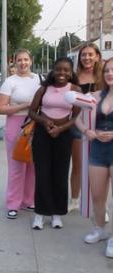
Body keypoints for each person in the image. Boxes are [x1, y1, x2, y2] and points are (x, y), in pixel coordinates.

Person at [29, 57, 81, 230]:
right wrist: (44, 122)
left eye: (66, 70)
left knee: (60, 174)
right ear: (53, 70)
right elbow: (32, 111)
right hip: (42, 135)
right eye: (58, 69)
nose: (62, 73)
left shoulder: (75, 89)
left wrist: (61, 128)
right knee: (42, 173)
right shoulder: (44, 89)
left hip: (64, 135)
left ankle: (57, 214)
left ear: (71, 72)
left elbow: (77, 117)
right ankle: (39, 213)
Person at [75, 57, 113, 258]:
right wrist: (86, 131)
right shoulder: (95, 96)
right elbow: (78, 119)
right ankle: (99, 229)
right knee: (98, 195)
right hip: (97, 148)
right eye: (107, 70)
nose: (110, 74)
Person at [0, 49, 41, 219]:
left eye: (26, 59)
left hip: (36, 124)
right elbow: (0, 108)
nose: (23, 63)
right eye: (19, 60)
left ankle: (29, 201)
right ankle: (13, 203)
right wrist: (23, 106)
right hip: (16, 124)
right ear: (15, 62)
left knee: (33, 166)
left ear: (31, 61)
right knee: (17, 166)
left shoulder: (39, 79)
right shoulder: (10, 82)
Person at [70, 43, 103, 212]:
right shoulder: (74, 77)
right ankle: (75, 201)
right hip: (78, 124)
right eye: (83, 55)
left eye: (90, 54)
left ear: (97, 56)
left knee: (98, 167)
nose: (87, 58)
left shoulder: (104, 77)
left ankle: (98, 204)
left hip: (100, 126)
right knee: (77, 165)